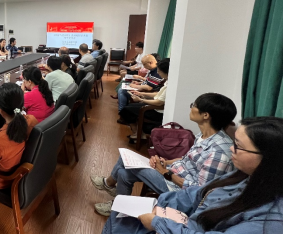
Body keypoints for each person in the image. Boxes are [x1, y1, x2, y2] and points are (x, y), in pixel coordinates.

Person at [88, 117, 283, 234]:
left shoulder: (273, 222)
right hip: (187, 221)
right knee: (121, 214)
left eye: (238, 146)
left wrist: (159, 220)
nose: (232, 148)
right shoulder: (242, 174)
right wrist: (159, 206)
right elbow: (196, 193)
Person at [92, 93, 237, 217]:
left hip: (179, 191)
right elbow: (187, 159)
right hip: (173, 173)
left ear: (205, 115)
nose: (191, 107)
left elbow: (199, 191)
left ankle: (109, 185)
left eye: (194, 105)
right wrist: (165, 162)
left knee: (125, 159)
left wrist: (166, 173)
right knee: (124, 173)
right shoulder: (204, 135)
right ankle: (117, 206)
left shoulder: (219, 153)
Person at [118, 59, 170, 140]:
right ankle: (139, 133)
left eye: (159, 71)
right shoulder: (167, 81)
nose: (158, 73)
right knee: (128, 107)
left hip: (157, 110)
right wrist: (142, 94)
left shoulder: (170, 84)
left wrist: (141, 100)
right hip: (154, 105)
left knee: (126, 110)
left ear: (166, 72)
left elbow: (159, 102)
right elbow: (158, 94)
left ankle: (137, 133)